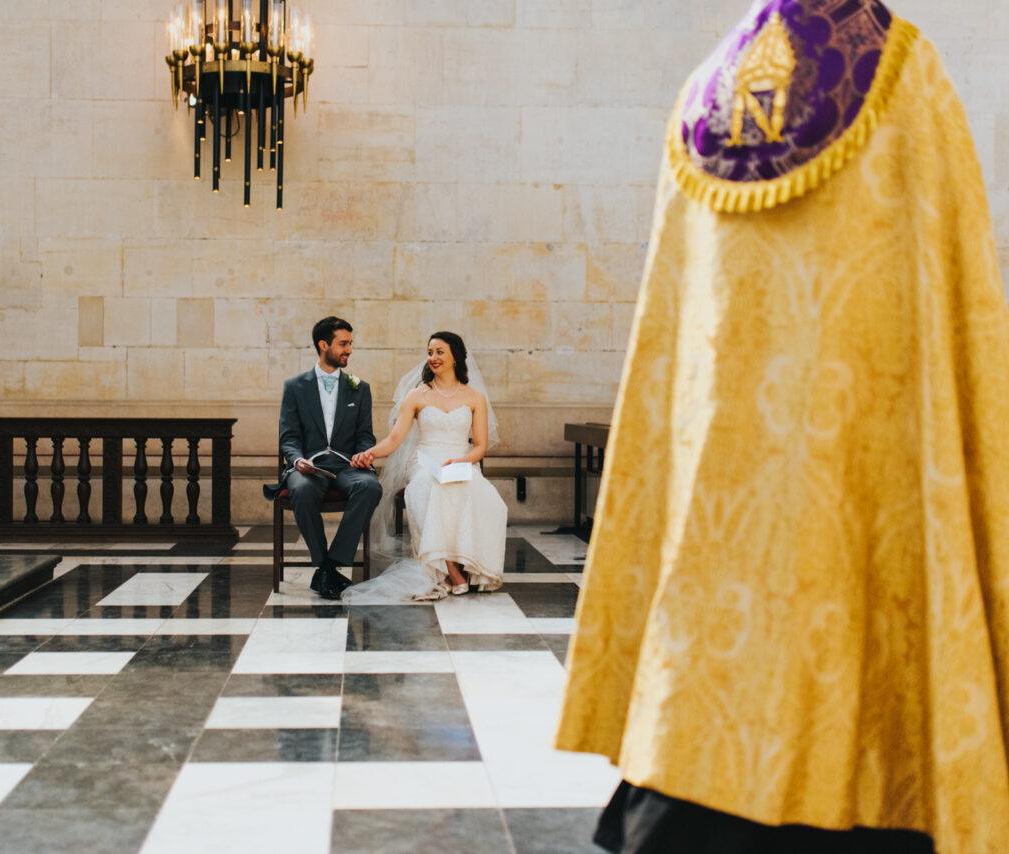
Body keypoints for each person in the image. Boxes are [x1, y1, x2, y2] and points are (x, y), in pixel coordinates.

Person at [556, 2, 1009, 853]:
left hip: (715, 571)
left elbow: (669, 362)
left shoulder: (701, 103)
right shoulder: (905, 80)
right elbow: (964, 313)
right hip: (866, 522)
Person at [343, 331, 506, 602]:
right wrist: (369, 453)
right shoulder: (417, 396)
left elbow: (479, 445)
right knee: (434, 488)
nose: (433, 358)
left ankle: (468, 563)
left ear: (455, 357)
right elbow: (395, 438)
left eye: (440, 352)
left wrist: (462, 461)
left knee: (490, 499)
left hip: (460, 461)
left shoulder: (474, 397)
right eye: (430, 352)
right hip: (425, 463)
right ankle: (450, 570)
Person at [264, 316, 382, 600]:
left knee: (370, 487)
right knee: (301, 490)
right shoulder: (295, 387)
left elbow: (366, 435)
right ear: (323, 345)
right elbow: (288, 437)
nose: (349, 350)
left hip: (346, 466)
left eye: (350, 344)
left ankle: (330, 566)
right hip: (309, 467)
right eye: (343, 344)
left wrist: (364, 454)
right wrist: (297, 461)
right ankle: (323, 563)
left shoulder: (359, 387)